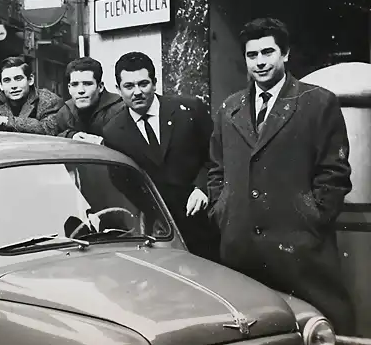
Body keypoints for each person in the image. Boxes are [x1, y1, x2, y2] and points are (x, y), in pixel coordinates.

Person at [207, 17, 354, 334]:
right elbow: (217, 169)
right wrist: (223, 211)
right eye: (251, 55)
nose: (259, 62)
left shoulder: (316, 102)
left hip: (299, 253)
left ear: (285, 54)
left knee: (313, 330)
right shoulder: (229, 108)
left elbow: (335, 172)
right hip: (242, 252)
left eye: (267, 52)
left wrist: (311, 218)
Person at [102, 52, 219, 261]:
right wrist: (151, 211)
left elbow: (217, 155)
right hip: (160, 234)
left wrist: (203, 188)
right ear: (118, 89)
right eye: (129, 86)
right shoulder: (113, 132)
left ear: (155, 83)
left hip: (207, 222)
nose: (137, 92)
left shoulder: (189, 110)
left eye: (143, 83)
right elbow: (121, 182)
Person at [55, 57, 125, 144]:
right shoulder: (64, 113)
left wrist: (104, 143)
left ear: (100, 87)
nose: (81, 90)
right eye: (75, 84)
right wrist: (70, 136)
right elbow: (51, 141)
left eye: (87, 84)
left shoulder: (120, 111)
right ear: (69, 88)